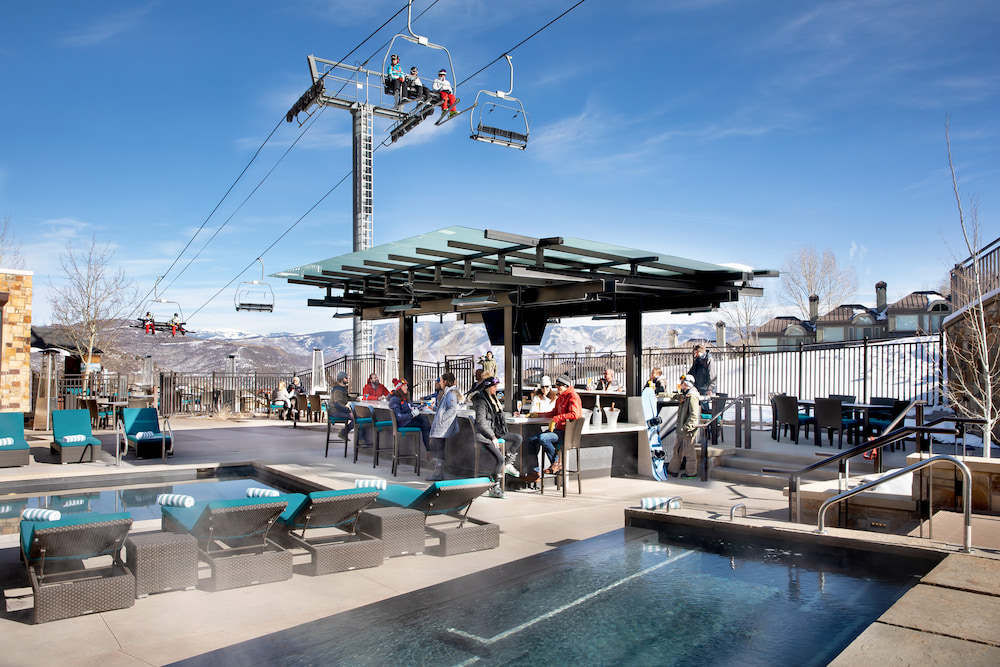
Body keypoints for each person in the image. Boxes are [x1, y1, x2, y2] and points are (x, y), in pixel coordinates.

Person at [470, 376, 522, 498]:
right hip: (485, 436)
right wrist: (492, 436)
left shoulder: (492, 399)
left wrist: (512, 414)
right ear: (488, 388)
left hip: (496, 432)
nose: (496, 389)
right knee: (499, 459)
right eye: (494, 386)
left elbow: (497, 415)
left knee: (518, 438)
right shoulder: (481, 401)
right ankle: (494, 487)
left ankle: (508, 464)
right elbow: (481, 422)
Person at [524, 374, 581, 479]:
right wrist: (538, 414)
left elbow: (574, 414)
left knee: (543, 438)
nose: (557, 387)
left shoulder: (573, 396)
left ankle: (557, 463)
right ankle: (534, 472)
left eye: (559, 385)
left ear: (566, 386)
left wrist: (556, 419)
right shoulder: (560, 398)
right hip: (558, 431)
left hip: (567, 433)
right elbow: (553, 413)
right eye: (556, 385)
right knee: (530, 440)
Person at [426, 372, 463, 481]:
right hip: (441, 427)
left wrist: (442, 419)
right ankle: (438, 471)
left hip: (442, 427)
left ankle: (438, 472)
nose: (440, 383)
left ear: (446, 382)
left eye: (441, 381)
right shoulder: (447, 393)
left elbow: (452, 409)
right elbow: (443, 409)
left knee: (439, 449)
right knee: (438, 448)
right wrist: (434, 409)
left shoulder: (450, 394)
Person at [663, 374, 701, 479]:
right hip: (682, 429)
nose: (680, 384)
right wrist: (663, 394)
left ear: (687, 384)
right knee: (677, 450)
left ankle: (691, 473)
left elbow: (694, 415)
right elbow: (677, 396)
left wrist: (687, 427)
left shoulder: (692, 396)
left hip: (687, 430)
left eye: (682, 382)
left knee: (689, 452)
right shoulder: (685, 395)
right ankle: (673, 470)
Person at [388, 379, 432, 453]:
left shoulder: (405, 397)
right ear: (399, 388)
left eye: (406, 386)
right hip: (403, 423)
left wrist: (422, 406)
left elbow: (412, 406)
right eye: (404, 386)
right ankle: (429, 446)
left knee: (424, 419)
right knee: (423, 424)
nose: (406, 388)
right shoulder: (394, 400)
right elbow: (398, 417)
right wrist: (411, 415)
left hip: (408, 420)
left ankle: (429, 446)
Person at [688, 343, 717, 412]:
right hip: (698, 385)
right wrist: (686, 377)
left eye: (697, 352)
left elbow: (711, 374)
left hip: (705, 387)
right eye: (695, 352)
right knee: (697, 404)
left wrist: (710, 388)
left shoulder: (708, 359)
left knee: (704, 404)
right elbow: (692, 371)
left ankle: (706, 416)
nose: (696, 354)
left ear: (702, 352)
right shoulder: (697, 360)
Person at [328, 370, 353, 438]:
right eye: (346, 378)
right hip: (335, 411)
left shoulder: (342, 388)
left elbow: (346, 397)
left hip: (337, 410)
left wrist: (355, 399)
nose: (348, 379)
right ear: (342, 379)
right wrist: (348, 411)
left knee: (357, 417)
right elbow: (338, 404)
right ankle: (343, 433)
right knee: (356, 418)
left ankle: (344, 432)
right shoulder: (338, 390)